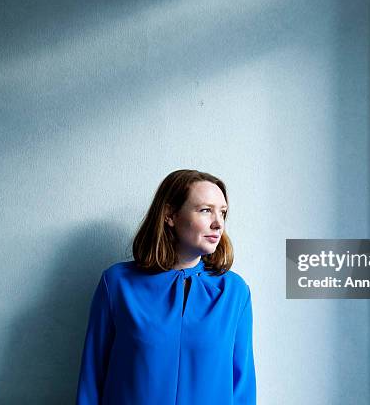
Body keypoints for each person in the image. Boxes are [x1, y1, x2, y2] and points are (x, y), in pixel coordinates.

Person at [76, 169, 256, 404]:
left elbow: (242, 385)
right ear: (170, 215)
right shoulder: (117, 283)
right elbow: (92, 376)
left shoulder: (234, 292)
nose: (217, 223)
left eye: (222, 213)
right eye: (205, 210)